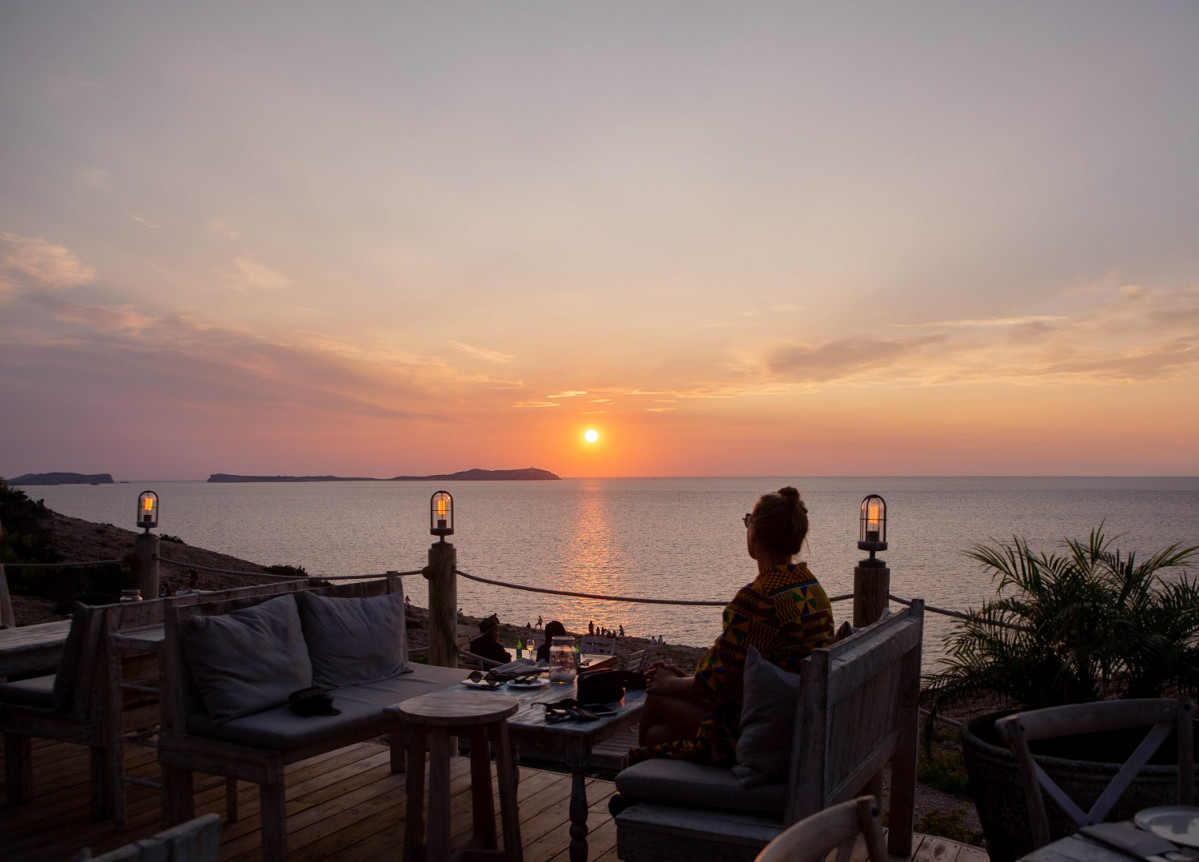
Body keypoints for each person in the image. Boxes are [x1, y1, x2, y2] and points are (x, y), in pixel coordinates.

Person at [632, 486, 834, 767]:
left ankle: (636, 793)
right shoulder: (812, 590)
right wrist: (683, 679)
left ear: (755, 533)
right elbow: (727, 677)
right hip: (796, 724)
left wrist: (671, 683)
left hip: (758, 734)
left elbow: (713, 687)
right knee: (659, 734)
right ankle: (652, 792)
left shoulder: (758, 599)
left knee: (655, 696)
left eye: (748, 522)